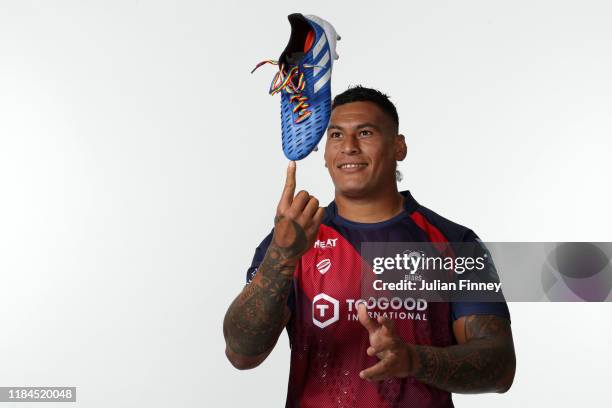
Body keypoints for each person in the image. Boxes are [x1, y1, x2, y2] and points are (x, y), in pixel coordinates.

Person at [223, 86, 516, 407]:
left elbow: (500, 367)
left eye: (365, 133)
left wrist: (413, 360)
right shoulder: (292, 240)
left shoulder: (454, 243)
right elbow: (241, 353)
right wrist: (281, 255)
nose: (348, 147)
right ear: (324, 154)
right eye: (335, 135)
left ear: (399, 147)